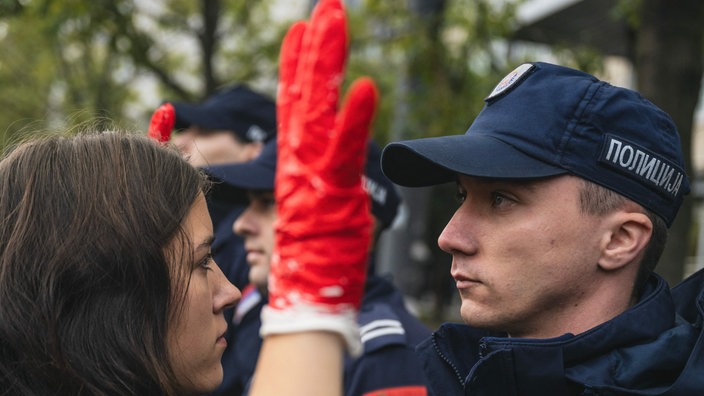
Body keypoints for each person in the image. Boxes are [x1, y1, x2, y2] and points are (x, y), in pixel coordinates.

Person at [380, 61, 704, 395]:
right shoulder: (441, 374)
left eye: (501, 199)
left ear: (620, 240)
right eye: (462, 195)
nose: (449, 238)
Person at [204, 137, 431, 395]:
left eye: (268, 202)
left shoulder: (386, 359)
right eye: (249, 203)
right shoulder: (280, 320)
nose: (241, 225)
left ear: (351, 223)